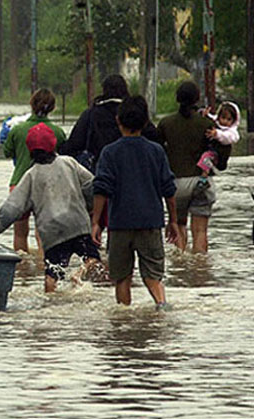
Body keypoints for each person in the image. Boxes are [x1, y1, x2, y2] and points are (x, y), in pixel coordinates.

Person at [0, 123, 104, 293]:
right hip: (77, 225)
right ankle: (78, 274)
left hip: (52, 233)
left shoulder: (31, 176)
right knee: (93, 259)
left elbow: (12, 207)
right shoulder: (69, 163)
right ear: (53, 144)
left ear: (30, 150)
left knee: (51, 276)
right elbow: (91, 186)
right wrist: (91, 209)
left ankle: (50, 302)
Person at [92, 96, 179, 309]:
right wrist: (173, 221)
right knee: (153, 275)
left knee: (122, 278)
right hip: (150, 222)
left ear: (118, 121)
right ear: (146, 122)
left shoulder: (110, 152)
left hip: (119, 223)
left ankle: (125, 318)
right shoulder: (156, 151)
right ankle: (161, 304)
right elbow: (169, 190)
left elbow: (101, 189)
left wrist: (95, 222)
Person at [157, 81, 231, 253]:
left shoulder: (166, 124)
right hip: (202, 181)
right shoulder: (206, 124)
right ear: (197, 99)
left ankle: (182, 271)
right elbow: (222, 160)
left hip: (176, 185)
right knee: (200, 231)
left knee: (179, 228)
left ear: (177, 99)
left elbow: (157, 153)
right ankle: (200, 272)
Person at [1, 88, 66, 253]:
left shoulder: (16, 130)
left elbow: (7, 152)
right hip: (47, 186)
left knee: (20, 233)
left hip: (19, 185)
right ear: (52, 108)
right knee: (43, 233)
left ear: (31, 104)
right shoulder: (58, 132)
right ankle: (46, 271)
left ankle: (22, 274)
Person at [59, 74, 159, 173]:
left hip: (100, 168)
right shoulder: (133, 111)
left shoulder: (91, 114)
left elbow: (74, 144)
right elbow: (154, 136)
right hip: (135, 167)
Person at [196, 101, 241, 188]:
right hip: (211, 149)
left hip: (218, 155)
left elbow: (228, 138)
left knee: (206, 157)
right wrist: (204, 113)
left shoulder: (232, 132)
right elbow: (211, 118)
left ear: (234, 120)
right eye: (223, 118)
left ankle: (203, 179)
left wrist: (217, 134)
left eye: (229, 119)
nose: (224, 121)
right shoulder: (215, 123)